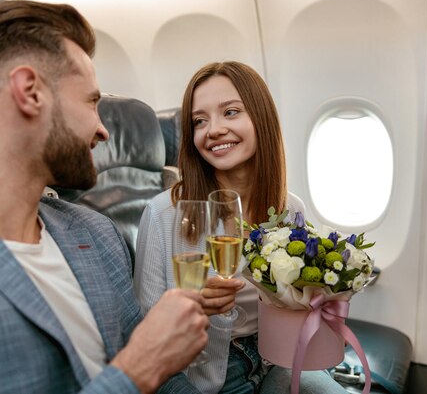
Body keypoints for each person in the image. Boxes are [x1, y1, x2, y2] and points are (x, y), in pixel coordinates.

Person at [0, 0, 209, 394]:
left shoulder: (95, 232)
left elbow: (166, 379)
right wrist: (138, 372)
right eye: (91, 101)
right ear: (30, 92)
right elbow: (148, 364)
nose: (103, 131)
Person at [133, 62, 348, 394]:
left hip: (279, 355)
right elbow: (145, 326)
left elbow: (295, 302)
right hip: (212, 368)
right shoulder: (164, 213)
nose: (213, 129)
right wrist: (194, 310)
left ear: (260, 119)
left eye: (230, 112)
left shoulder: (291, 208)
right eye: (199, 121)